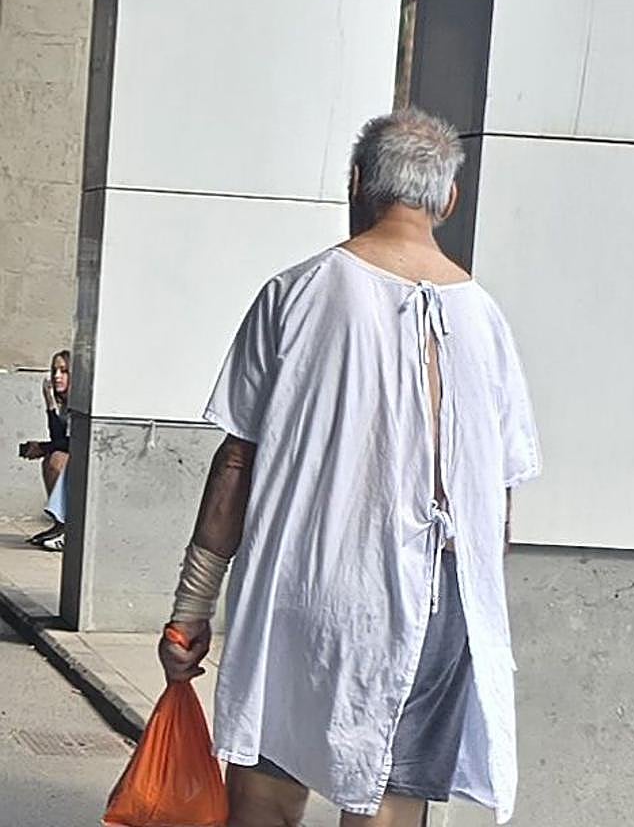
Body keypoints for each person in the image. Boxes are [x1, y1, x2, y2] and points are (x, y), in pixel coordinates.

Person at [159, 107, 541, 827]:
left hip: (304, 589)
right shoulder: (487, 321)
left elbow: (236, 464)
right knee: (389, 809)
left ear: (358, 183)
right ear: (448, 200)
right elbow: (498, 504)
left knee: (266, 801)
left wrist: (190, 611)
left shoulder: (294, 294)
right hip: (436, 603)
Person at [19, 349, 71, 550]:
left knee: (56, 459)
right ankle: (60, 525)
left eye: (64, 371)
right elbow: (58, 437)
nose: (57, 376)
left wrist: (41, 447)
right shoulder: (65, 403)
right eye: (54, 370)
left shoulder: (79, 402)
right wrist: (50, 404)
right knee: (50, 459)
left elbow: (72, 442)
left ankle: (68, 528)